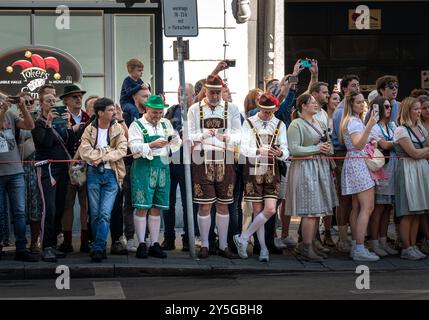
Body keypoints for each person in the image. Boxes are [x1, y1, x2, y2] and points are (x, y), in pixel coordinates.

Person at [188, 75, 241, 259]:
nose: (216, 96)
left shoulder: (231, 108)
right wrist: (202, 134)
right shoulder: (195, 109)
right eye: (212, 92)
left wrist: (228, 138)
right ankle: (205, 245)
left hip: (225, 159)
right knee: (204, 205)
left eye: (218, 92)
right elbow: (188, 135)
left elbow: (239, 134)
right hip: (201, 159)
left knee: (223, 204)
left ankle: (224, 245)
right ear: (205, 90)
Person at [233, 94, 289, 262]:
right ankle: (263, 248)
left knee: (270, 209)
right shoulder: (249, 122)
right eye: (264, 111)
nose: (266, 114)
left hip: (272, 170)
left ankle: (243, 237)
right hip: (253, 169)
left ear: (275, 109)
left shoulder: (280, 124)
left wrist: (280, 153)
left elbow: (286, 150)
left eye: (270, 111)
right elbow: (243, 149)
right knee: (257, 209)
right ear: (259, 107)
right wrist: (259, 151)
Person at [286, 94, 338, 261]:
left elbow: (328, 145)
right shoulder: (296, 124)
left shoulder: (320, 122)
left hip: (320, 167)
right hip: (305, 169)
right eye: (313, 103)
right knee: (310, 210)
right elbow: (294, 150)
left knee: (317, 209)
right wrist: (317, 149)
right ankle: (306, 247)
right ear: (303, 106)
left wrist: (327, 149)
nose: (316, 105)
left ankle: (310, 243)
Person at [128, 95, 182, 259]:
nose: (158, 116)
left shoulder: (165, 123)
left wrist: (172, 143)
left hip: (163, 168)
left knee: (156, 207)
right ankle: (141, 244)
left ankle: (154, 243)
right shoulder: (136, 125)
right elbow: (133, 148)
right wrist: (151, 145)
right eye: (155, 113)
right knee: (142, 206)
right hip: (143, 169)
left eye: (160, 113)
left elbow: (176, 142)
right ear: (146, 109)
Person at [78, 98, 127, 262]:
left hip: (112, 174)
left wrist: (102, 156)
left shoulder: (117, 128)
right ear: (100, 113)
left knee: (105, 213)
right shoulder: (89, 129)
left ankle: (99, 247)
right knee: (95, 213)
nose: (114, 113)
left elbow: (122, 149)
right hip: (93, 173)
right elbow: (84, 151)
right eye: (110, 110)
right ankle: (97, 245)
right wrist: (103, 154)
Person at [32, 92, 74, 262]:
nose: (51, 104)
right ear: (41, 104)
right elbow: (45, 143)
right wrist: (49, 123)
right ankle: (46, 246)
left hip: (62, 167)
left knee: (59, 206)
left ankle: (53, 244)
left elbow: (70, 143)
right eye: (48, 101)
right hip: (47, 169)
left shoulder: (60, 123)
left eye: (53, 101)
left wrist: (69, 125)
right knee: (49, 207)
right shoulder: (38, 124)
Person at [339, 92, 379, 262]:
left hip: (355, 162)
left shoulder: (351, 120)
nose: (362, 105)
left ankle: (357, 245)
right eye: (358, 102)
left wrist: (371, 140)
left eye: (363, 102)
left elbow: (359, 142)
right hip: (358, 163)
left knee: (357, 207)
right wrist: (370, 125)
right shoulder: (354, 121)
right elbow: (357, 144)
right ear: (351, 104)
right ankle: (360, 248)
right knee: (367, 207)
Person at [0, 94, 37, 262]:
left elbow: (30, 125)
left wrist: (22, 107)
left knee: (20, 212)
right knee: (0, 212)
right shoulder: (4, 113)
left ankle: (21, 248)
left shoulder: (10, 114)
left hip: (16, 170)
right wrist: (2, 111)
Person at [393, 97, 429, 260]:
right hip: (407, 170)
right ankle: (407, 247)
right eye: (415, 109)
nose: (419, 112)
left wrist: (421, 152)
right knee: (407, 212)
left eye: (419, 109)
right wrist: (424, 151)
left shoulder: (421, 128)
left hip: (420, 169)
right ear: (408, 111)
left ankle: (413, 245)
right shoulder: (401, 130)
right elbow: (413, 153)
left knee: (418, 210)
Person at [162, 84, 195, 251]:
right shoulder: (171, 111)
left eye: (185, 94)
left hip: (188, 163)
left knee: (188, 201)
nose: (181, 97)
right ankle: (168, 238)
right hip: (170, 161)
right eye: (179, 93)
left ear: (193, 96)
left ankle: (188, 239)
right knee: (168, 202)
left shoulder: (195, 112)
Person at [58, 84, 90, 253]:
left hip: (84, 165)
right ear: (65, 101)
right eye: (74, 97)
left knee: (85, 205)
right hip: (67, 166)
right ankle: (67, 241)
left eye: (79, 96)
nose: (78, 99)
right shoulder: (60, 118)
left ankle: (85, 241)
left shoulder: (88, 117)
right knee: (67, 205)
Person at [366, 96, 399, 256]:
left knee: (388, 208)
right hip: (381, 168)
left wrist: (394, 141)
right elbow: (384, 144)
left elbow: (390, 142)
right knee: (378, 208)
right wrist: (400, 141)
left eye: (390, 106)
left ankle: (384, 241)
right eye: (385, 106)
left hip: (394, 168)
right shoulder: (374, 126)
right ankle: (375, 242)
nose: (389, 109)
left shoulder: (393, 125)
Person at [331, 75, 360, 253]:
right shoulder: (341, 111)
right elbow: (343, 139)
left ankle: (352, 235)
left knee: (354, 199)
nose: (357, 88)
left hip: (355, 155)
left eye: (358, 85)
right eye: (353, 85)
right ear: (344, 89)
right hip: (343, 155)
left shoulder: (354, 109)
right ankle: (342, 238)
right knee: (344, 197)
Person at [121, 85, 151, 253]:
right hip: (130, 163)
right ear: (135, 98)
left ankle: (146, 237)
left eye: (149, 95)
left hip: (147, 163)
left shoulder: (152, 116)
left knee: (146, 201)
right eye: (144, 96)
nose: (147, 99)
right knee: (130, 202)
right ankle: (130, 237)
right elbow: (127, 139)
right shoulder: (126, 115)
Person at [17, 93, 43, 254]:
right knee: (18, 209)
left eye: (30, 102)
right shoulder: (14, 120)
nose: (27, 104)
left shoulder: (39, 120)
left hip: (34, 169)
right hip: (17, 168)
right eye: (24, 102)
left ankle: (35, 242)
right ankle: (17, 242)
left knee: (35, 207)